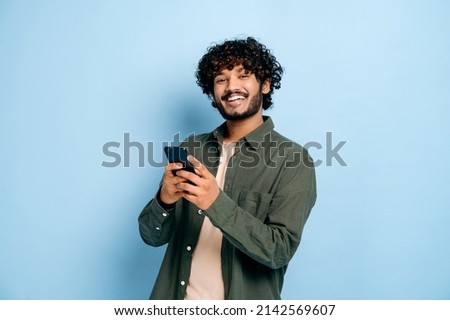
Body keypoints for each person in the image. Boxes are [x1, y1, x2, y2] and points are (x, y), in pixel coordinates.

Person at [138, 37, 317, 300]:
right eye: (221, 79)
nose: (231, 86)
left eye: (243, 75)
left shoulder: (294, 161)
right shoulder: (192, 148)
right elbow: (151, 236)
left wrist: (214, 202)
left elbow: (278, 251)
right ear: (213, 92)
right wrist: (164, 200)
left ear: (265, 85)